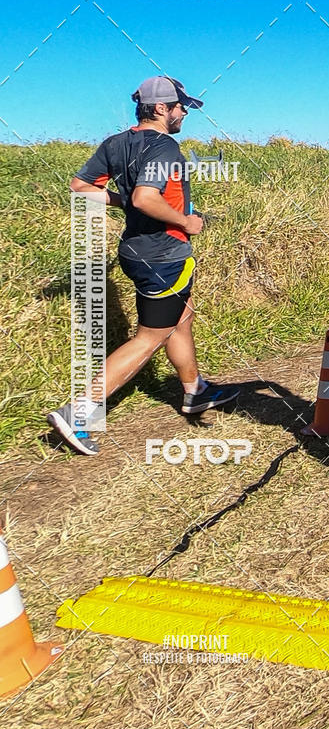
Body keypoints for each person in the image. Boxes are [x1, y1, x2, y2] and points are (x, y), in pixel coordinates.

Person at [47, 75, 239, 456]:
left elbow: (79, 187)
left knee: (182, 316)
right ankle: (78, 412)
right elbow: (146, 198)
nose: (184, 113)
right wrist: (185, 222)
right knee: (150, 337)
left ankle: (195, 391)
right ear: (161, 108)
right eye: (181, 107)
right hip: (164, 255)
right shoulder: (165, 147)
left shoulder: (116, 143)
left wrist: (121, 200)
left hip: (135, 251)